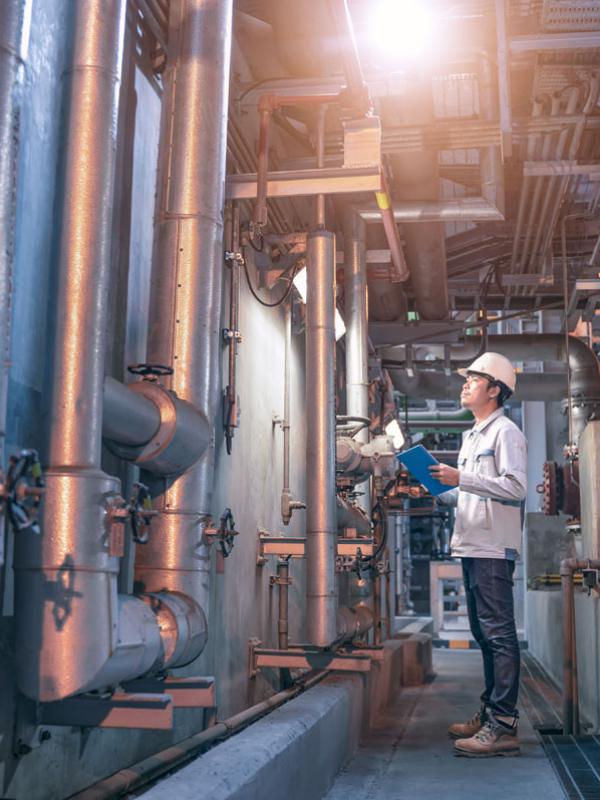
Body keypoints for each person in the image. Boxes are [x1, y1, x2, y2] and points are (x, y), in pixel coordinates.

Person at [429, 352, 527, 758]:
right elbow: (471, 492)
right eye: (466, 378)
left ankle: (503, 725)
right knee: (486, 635)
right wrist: (438, 488)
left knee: (500, 636)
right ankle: (491, 714)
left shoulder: (506, 432)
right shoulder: (473, 435)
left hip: (492, 548)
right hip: (472, 545)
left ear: (495, 389)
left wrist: (462, 477)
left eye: (474, 378)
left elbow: (516, 487)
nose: (466, 384)